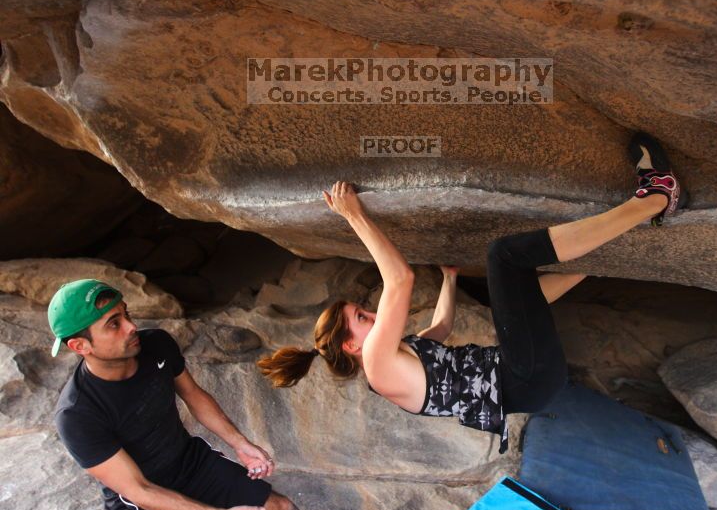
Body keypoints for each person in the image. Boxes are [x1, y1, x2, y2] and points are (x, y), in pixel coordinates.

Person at [257, 132, 684, 453]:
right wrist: (354, 216)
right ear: (352, 345)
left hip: (527, 376)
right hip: (524, 378)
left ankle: (606, 254)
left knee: (517, 297)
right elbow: (400, 279)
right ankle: (656, 197)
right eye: (363, 318)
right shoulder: (378, 365)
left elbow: (440, 329)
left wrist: (449, 279)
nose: (372, 314)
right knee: (504, 257)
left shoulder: (396, 359)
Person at [50, 279, 308, 510]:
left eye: (125, 313)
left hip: (192, 464)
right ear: (80, 346)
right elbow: (139, 490)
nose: (131, 326)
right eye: (114, 324)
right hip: (140, 505)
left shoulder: (156, 345)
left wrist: (240, 443)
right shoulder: (77, 414)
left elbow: (193, 396)